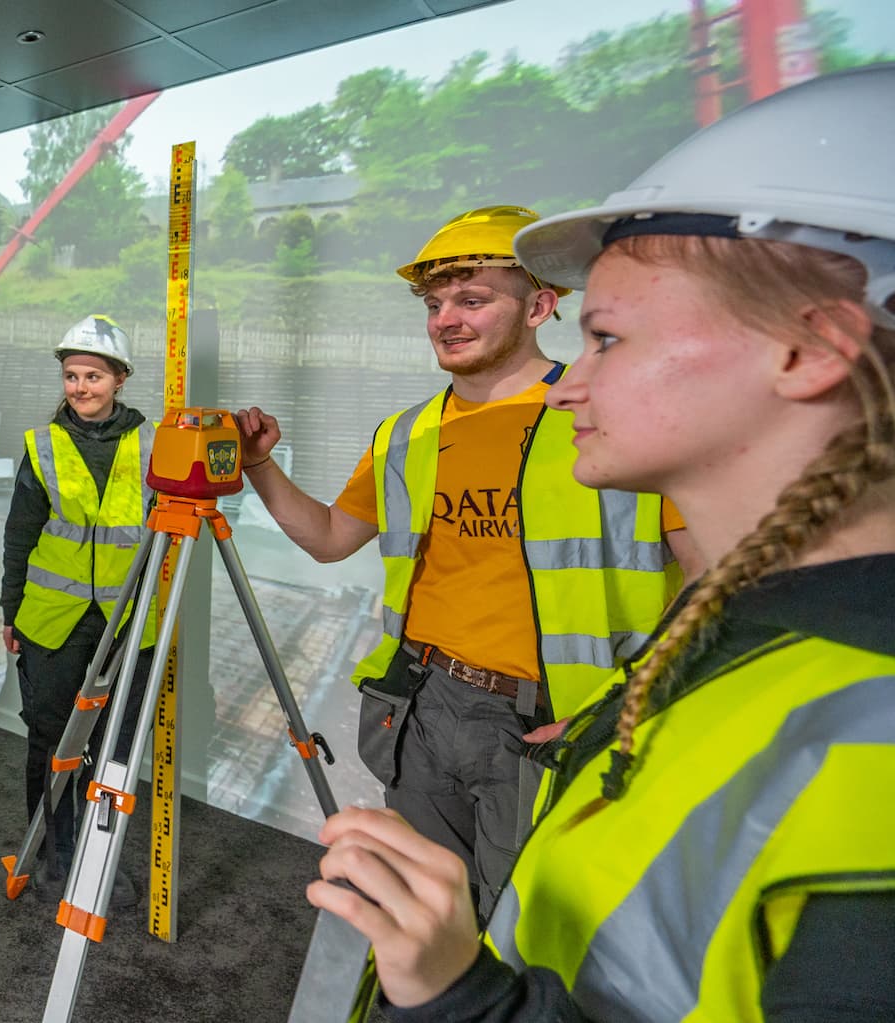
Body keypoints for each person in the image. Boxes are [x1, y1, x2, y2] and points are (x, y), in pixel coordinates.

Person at [309, 64, 895, 1021]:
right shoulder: (739, 669)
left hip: (527, 724)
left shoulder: (852, 731)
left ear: (811, 347)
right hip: (429, 707)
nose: (574, 383)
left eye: (609, 339)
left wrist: (468, 999)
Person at [233, 206, 694, 917]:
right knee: (427, 913)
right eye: (435, 302)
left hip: (551, 718)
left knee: (530, 926)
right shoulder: (405, 434)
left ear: (540, 304)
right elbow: (328, 536)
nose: (445, 317)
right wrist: (259, 465)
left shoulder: (610, 416)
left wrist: (624, 708)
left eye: (472, 299)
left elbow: (715, 579)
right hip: (420, 703)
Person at [1, 314, 158, 894]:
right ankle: (51, 855)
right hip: (51, 622)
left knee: (112, 750)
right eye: (72, 376)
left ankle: (98, 862)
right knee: (49, 740)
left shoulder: (157, 442)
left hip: (128, 622)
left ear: (119, 378)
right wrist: (10, 611)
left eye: (93, 375)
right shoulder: (41, 445)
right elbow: (20, 534)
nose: (81, 387)